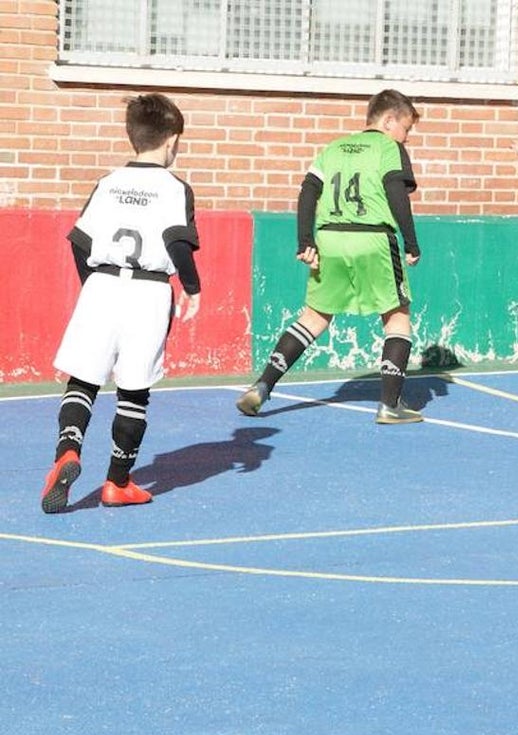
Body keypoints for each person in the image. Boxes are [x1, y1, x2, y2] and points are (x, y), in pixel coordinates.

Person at [41, 93, 201, 514]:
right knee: (134, 390)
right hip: (148, 291)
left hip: (102, 284)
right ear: (172, 141)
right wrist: (193, 286)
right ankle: (117, 482)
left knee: (83, 380)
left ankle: (67, 452)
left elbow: (79, 241)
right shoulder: (175, 187)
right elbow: (177, 242)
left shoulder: (109, 182)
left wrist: (91, 285)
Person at [236, 89, 424, 425]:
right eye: (406, 129)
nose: (406, 138)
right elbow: (397, 191)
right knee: (397, 317)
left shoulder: (333, 147)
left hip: (330, 239)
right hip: (373, 239)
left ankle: (263, 385)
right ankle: (389, 404)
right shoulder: (388, 148)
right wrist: (411, 242)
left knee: (313, 317)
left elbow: (308, 190)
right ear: (389, 120)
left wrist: (305, 240)